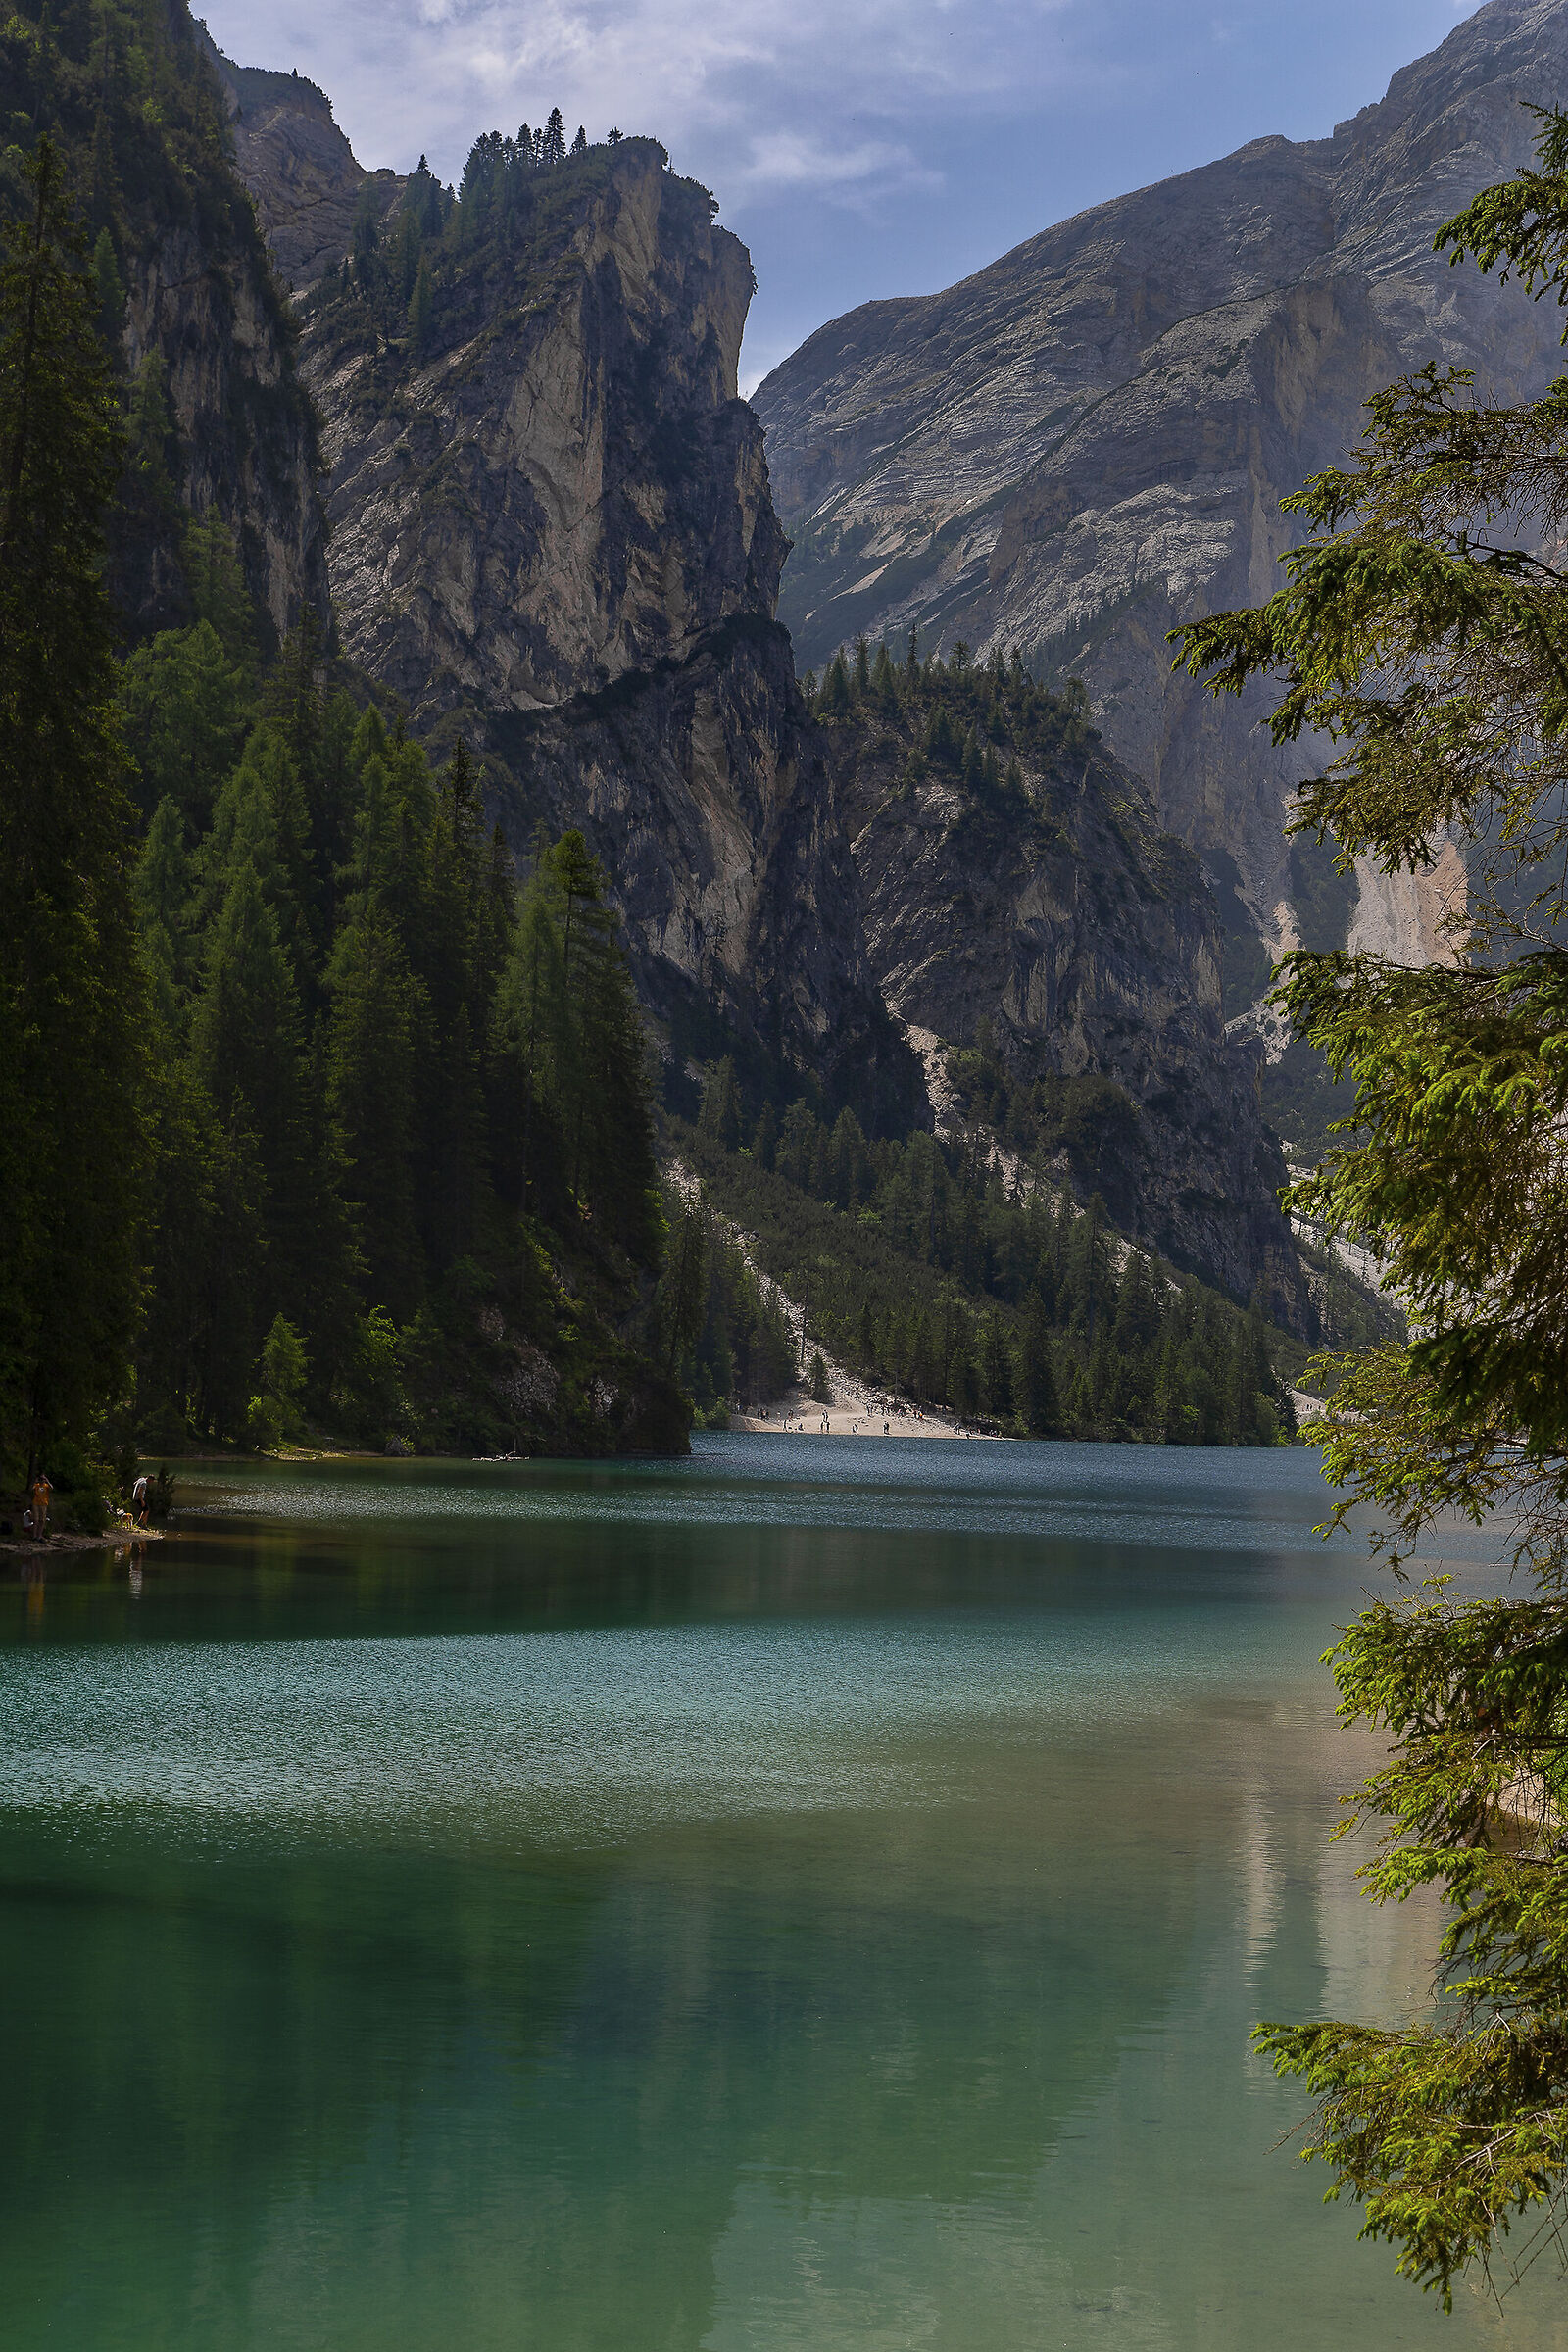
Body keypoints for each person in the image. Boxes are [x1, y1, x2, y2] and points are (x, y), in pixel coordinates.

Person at [29, 1470, 50, 1539]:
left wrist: (47, 1480)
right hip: (36, 1503)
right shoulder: (36, 1485)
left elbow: (52, 1488)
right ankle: (34, 1535)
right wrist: (36, 1481)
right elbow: (31, 1489)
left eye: (43, 1479)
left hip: (44, 1504)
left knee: (42, 1520)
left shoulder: (46, 1486)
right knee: (36, 1519)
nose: (42, 1480)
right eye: (41, 1479)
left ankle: (39, 1535)